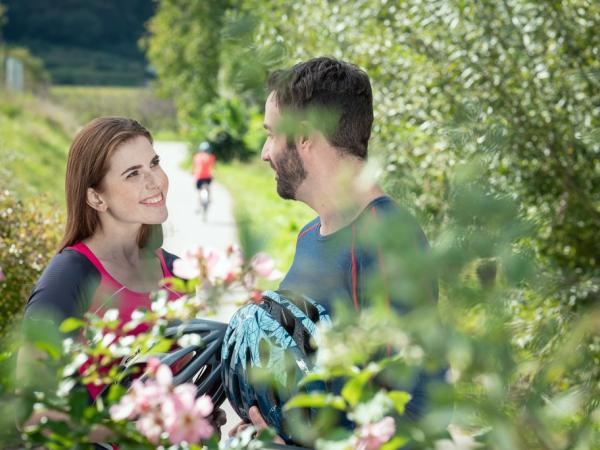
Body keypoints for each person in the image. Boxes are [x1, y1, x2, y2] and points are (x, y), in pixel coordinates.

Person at [230, 57, 439, 443]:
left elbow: (418, 406)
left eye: (272, 134)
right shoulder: (310, 235)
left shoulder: (386, 237)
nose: (264, 152)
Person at [17, 117, 225, 444]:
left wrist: (198, 419)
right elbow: (30, 411)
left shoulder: (177, 273)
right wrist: (133, 430)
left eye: (154, 163)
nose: (154, 181)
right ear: (97, 198)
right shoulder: (70, 276)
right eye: (133, 174)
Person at [193, 141, 217, 210]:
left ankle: (198, 206)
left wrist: (192, 172)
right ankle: (209, 198)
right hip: (208, 177)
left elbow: (194, 167)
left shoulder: (196, 156)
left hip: (199, 177)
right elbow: (212, 167)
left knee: (200, 190)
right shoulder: (211, 157)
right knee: (207, 188)